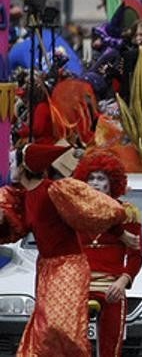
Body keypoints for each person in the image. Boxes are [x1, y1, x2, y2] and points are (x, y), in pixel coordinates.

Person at [0, 143, 126, 356]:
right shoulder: (23, 196)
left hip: (69, 267)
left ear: (24, 168)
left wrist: (121, 233)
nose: (10, 166)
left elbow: (101, 211)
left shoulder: (54, 190)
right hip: (47, 268)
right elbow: (14, 230)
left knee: (61, 328)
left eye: (14, 162)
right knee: (42, 328)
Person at [73, 150, 142, 357]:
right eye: (91, 178)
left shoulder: (128, 213)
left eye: (101, 178)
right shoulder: (74, 212)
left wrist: (122, 281)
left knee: (111, 349)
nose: (95, 183)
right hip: (78, 287)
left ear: (112, 182)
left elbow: (135, 256)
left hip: (111, 287)